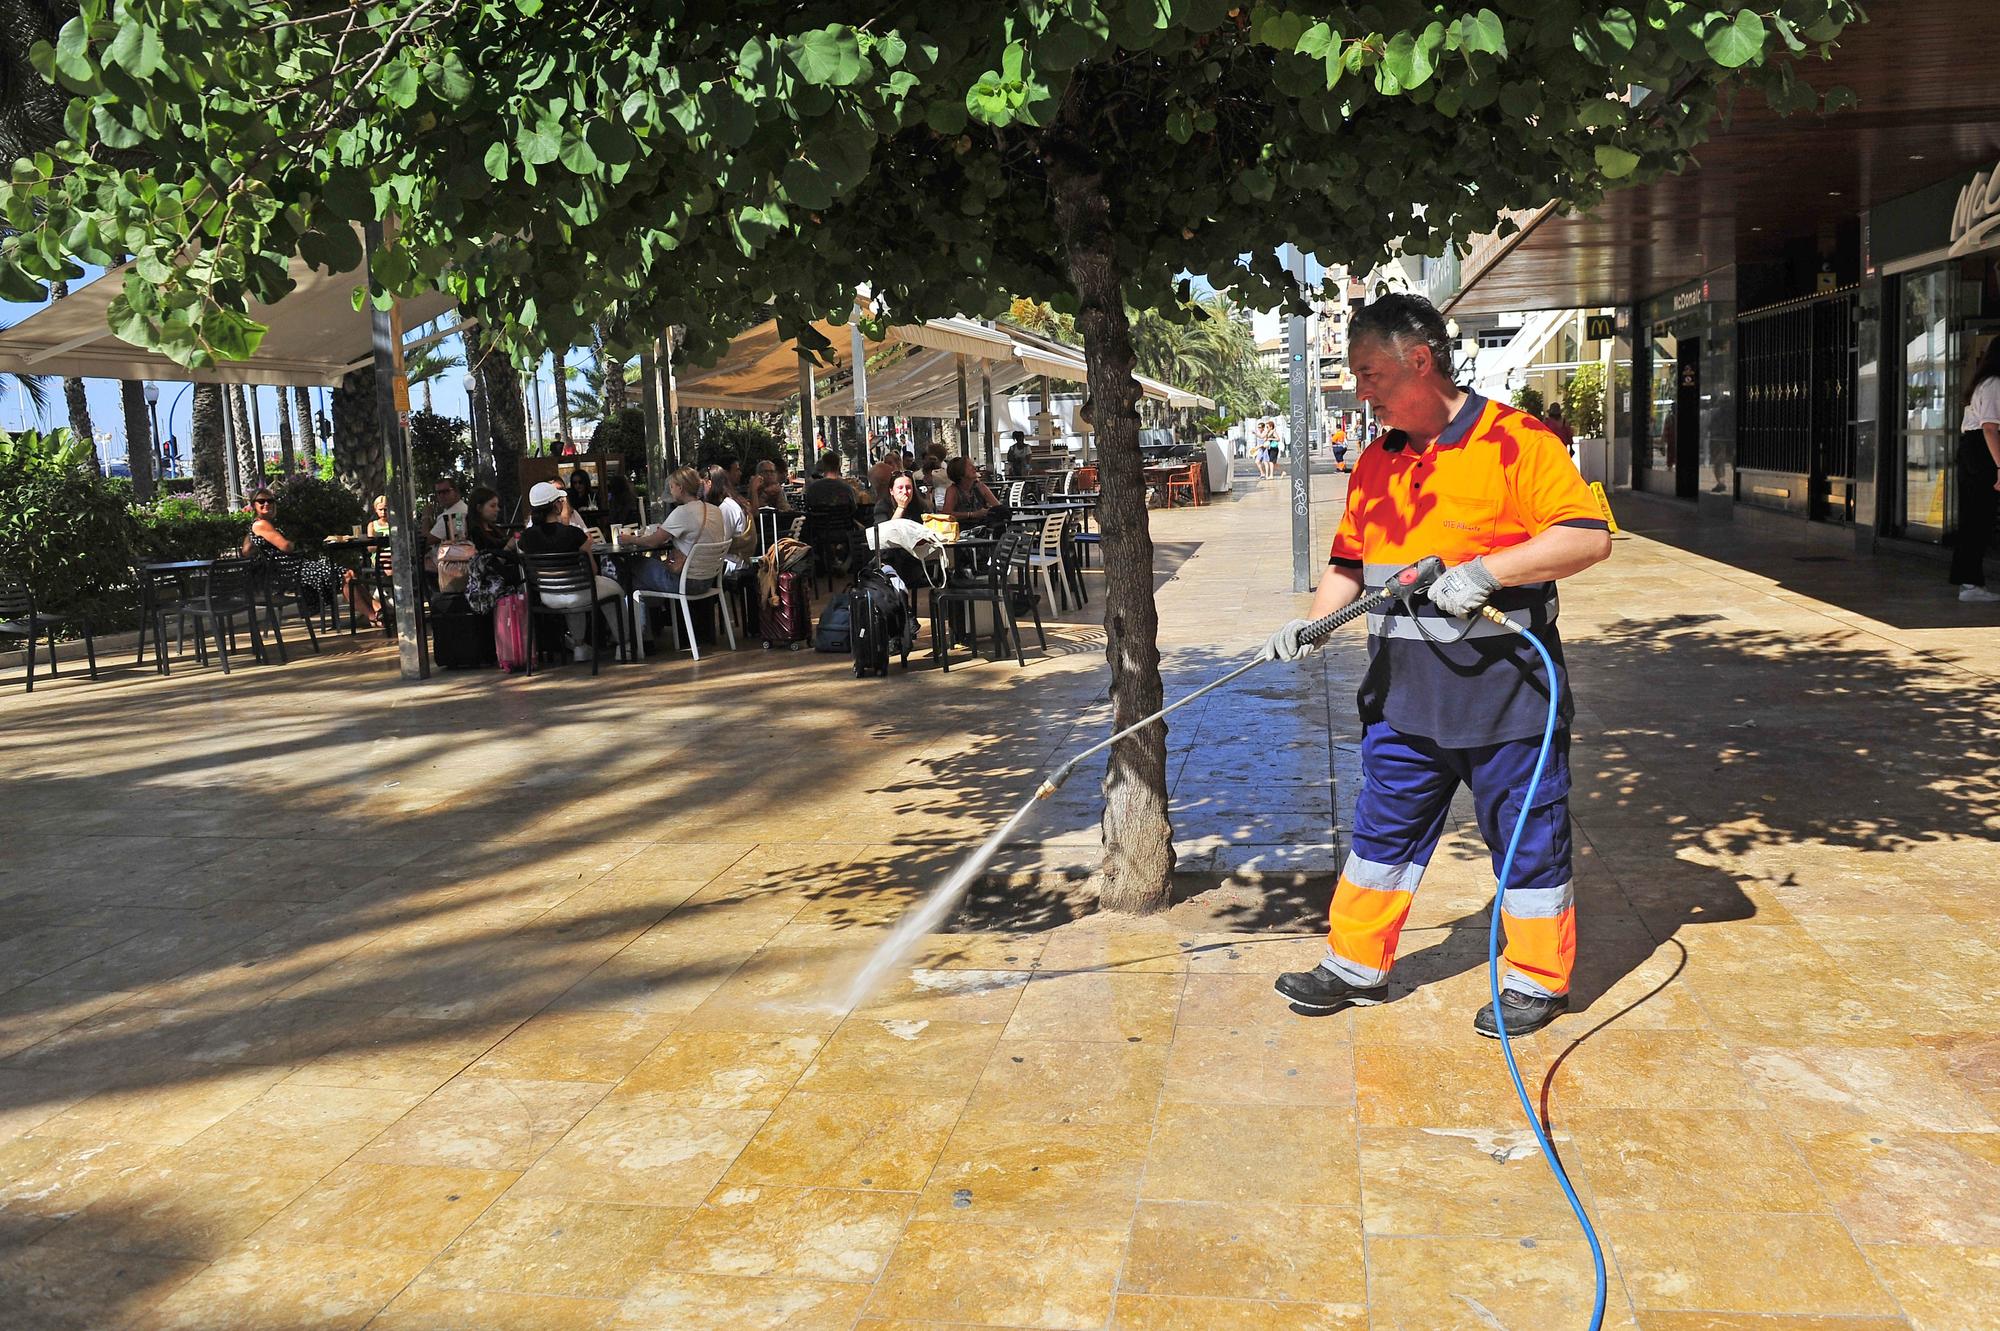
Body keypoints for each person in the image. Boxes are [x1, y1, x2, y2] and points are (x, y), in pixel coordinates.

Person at [1258, 293, 1612, 1039]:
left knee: (1526, 838)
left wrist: (1489, 571)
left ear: (1419, 361)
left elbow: (1586, 539)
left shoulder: (1518, 440)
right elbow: (1350, 565)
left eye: (1369, 373)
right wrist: (1313, 624)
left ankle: (1537, 980)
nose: (1361, 389)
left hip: (1508, 699)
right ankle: (1357, 965)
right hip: (1403, 701)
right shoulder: (1377, 462)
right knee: (1380, 837)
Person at [518, 480, 626, 659]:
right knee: (616, 591)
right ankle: (625, 645)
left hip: (547, 597)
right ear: (556, 505)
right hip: (579, 592)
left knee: (573, 593)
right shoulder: (574, 534)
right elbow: (592, 570)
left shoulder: (526, 538)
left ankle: (579, 647)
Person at [241, 487, 372, 626]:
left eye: (270, 501)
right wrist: (291, 543)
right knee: (344, 575)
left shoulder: (255, 525)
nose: (266, 504)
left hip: (294, 570)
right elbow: (286, 546)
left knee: (348, 574)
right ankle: (373, 614)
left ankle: (376, 611)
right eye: (261, 501)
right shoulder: (262, 524)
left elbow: (246, 550)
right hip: (294, 572)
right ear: (254, 504)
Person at [1953, 338, 2000, 602]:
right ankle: (1970, 584)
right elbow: (1990, 428)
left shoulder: (1984, 383)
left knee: (1974, 517)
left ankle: (1969, 582)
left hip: (1975, 450)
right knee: (1978, 517)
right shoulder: (1995, 384)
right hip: (1982, 452)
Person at [941, 455, 1002, 524]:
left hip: (982, 528)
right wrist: (972, 514)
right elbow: (946, 514)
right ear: (960, 471)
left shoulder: (980, 486)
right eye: (969, 466)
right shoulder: (953, 490)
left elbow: (998, 507)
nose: (974, 468)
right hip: (961, 530)